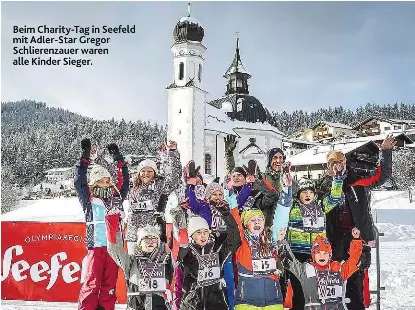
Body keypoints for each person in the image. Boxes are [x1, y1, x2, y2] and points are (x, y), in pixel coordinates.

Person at [315, 135, 396, 310]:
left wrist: (386, 152)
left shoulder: (357, 178)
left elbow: (382, 176)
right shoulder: (321, 186)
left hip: (357, 239)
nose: (338, 165)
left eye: (341, 161)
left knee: (354, 289)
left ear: (346, 162)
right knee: (333, 291)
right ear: (327, 165)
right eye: (333, 162)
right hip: (333, 242)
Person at [74, 139, 129, 310]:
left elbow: (124, 181)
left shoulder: (116, 197)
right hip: (96, 248)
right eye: (103, 181)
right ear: (94, 183)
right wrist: (84, 158)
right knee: (91, 283)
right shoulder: (89, 200)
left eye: (108, 180)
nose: (107, 183)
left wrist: (118, 160)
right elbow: (79, 180)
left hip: (114, 249)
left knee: (109, 287)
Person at [280, 177, 344, 310]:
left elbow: (335, 198)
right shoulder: (293, 206)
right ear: (299, 194)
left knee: (317, 292)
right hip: (297, 255)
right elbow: (284, 200)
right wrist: (286, 185)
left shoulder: (321, 206)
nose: (307, 195)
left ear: (315, 194)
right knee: (298, 292)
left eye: (310, 192)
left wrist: (337, 179)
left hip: (317, 255)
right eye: (304, 192)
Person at [229, 184, 292, 310]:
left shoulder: (272, 239)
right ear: (246, 224)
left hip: (273, 299)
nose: (257, 222)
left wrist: (286, 190)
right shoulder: (241, 241)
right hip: (246, 301)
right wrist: (230, 194)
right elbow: (234, 220)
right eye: (253, 220)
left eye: (260, 219)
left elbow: (281, 219)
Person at [279, 229, 363, 310]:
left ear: (330, 255)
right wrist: (282, 241)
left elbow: (354, 261)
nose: (322, 256)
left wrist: (356, 239)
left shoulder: (338, 269)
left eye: (325, 253)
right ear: (313, 255)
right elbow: (290, 262)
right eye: (318, 253)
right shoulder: (306, 270)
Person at [106, 209, 173, 310]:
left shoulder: (165, 260)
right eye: (146, 239)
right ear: (140, 243)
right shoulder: (132, 261)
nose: (150, 242)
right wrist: (112, 222)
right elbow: (115, 250)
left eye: (154, 239)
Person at [176, 207, 241, 310]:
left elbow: (235, 241)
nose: (203, 235)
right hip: (193, 303)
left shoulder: (217, 250)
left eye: (205, 231)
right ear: (192, 235)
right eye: (198, 232)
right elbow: (175, 255)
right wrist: (182, 230)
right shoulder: (186, 252)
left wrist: (226, 214)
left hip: (217, 302)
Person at [126, 140, 182, 254]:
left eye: (150, 171)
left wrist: (171, 153)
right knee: (136, 269)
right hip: (134, 236)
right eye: (143, 171)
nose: (146, 173)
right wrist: (130, 236)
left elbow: (173, 178)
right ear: (138, 173)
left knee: (156, 268)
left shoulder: (159, 186)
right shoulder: (133, 189)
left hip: (154, 235)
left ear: (155, 173)